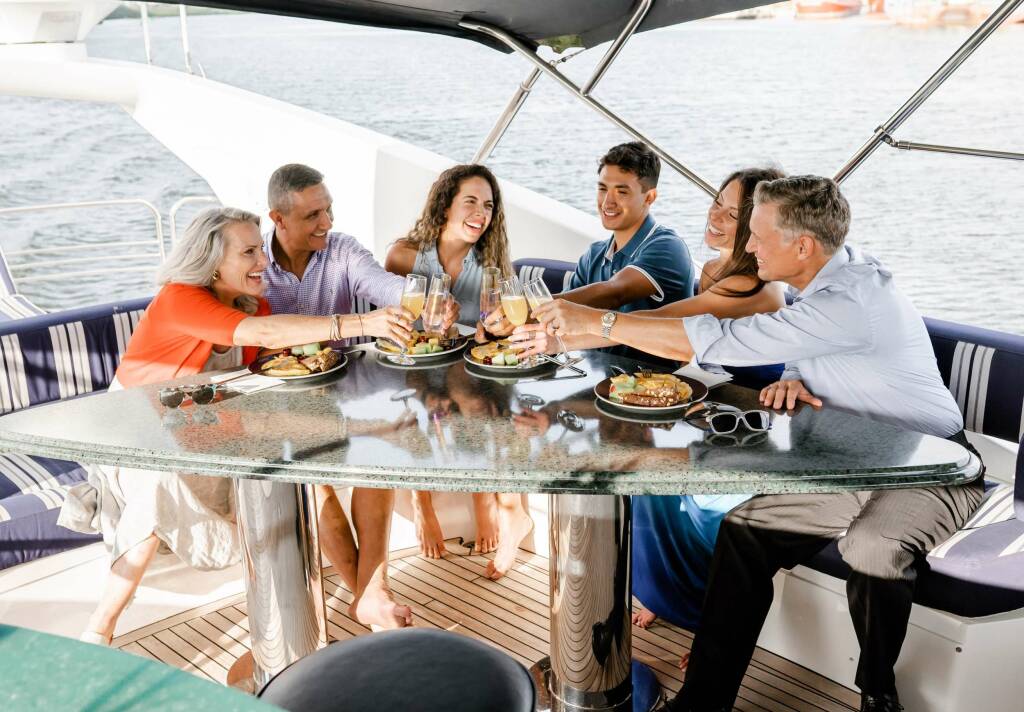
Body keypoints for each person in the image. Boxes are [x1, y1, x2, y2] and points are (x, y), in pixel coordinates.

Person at [521, 175, 984, 712]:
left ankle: (878, 692)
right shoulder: (830, 276)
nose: (750, 245)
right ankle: (703, 703)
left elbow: (722, 340)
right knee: (745, 530)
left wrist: (600, 322)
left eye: (759, 236)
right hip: (854, 462)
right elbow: (812, 340)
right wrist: (794, 375)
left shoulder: (849, 299)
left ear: (802, 246)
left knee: (871, 546)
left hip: (933, 464)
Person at [60, 207, 416, 644]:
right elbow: (262, 336)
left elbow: (263, 376)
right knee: (160, 484)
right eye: (249, 252)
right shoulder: (178, 299)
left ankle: (368, 597)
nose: (263, 261)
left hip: (207, 429)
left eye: (260, 250)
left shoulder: (254, 304)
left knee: (324, 465)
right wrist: (364, 323)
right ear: (212, 262)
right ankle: (100, 629)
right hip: (139, 433)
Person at [511, 166, 787, 634]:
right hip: (707, 411)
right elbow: (686, 348)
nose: (715, 217)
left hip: (750, 431)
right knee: (630, 466)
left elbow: (668, 321)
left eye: (732, 214)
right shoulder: (715, 270)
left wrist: (565, 334)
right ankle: (665, 595)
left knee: (671, 487)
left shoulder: (758, 288)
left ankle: (708, 624)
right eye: (716, 203)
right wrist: (556, 341)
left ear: (759, 225)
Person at [261, 163, 459, 629]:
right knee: (313, 480)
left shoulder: (342, 250)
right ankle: (372, 598)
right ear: (278, 219)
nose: (326, 223)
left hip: (346, 393)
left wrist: (424, 300)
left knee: (380, 452)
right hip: (279, 400)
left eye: (329, 210)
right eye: (313, 215)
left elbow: (383, 285)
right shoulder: (254, 266)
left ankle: (373, 598)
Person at [384, 164, 532, 580]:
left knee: (470, 389)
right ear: (445, 205)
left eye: (488, 205)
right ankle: (422, 502)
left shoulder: (491, 265)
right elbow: (392, 321)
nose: (481, 213)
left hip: (468, 368)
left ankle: (495, 504)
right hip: (416, 361)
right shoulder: (404, 256)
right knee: (413, 390)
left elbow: (505, 328)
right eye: (470, 201)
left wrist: (499, 327)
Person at [559, 141, 694, 364]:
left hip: (655, 380)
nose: (607, 202)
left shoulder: (668, 247)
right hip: (593, 378)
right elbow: (563, 321)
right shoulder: (594, 254)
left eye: (621, 192)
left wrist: (533, 306)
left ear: (649, 197)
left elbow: (614, 292)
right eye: (602, 189)